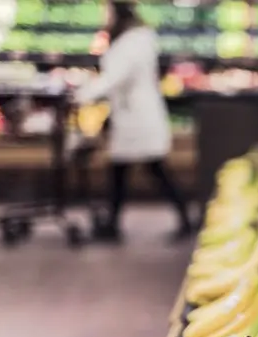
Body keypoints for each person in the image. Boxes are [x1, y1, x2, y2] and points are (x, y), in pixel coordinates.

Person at [74, 0, 192, 243]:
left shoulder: (133, 42)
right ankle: (114, 224)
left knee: (153, 169)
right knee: (124, 170)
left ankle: (183, 219)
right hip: (132, 116)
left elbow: (115, 77)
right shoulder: (137, 39)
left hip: (138, 118)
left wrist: (83, 94)